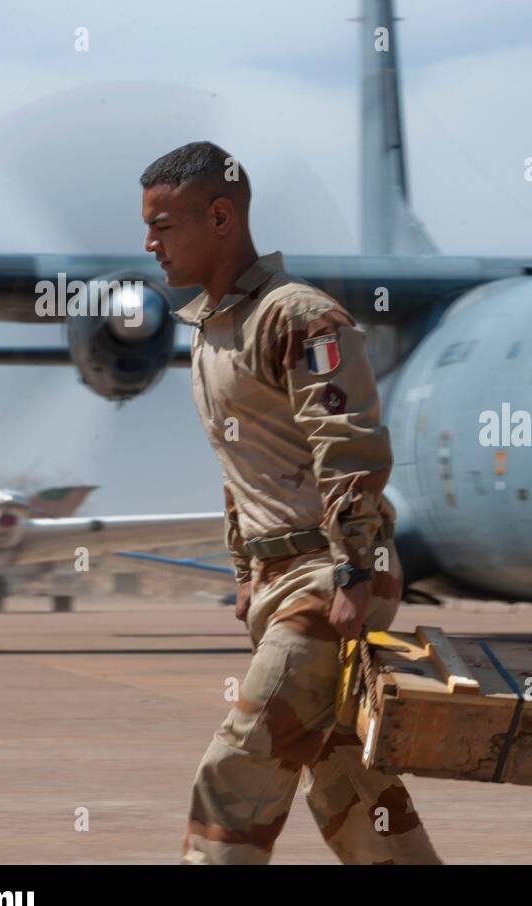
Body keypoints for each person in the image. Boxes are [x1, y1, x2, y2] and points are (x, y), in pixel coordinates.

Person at [140, 141, 440, 864]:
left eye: (163, 226)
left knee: (238, 768)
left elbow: (348, 445)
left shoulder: (298, 316)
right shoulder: (211, 330)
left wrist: (355, 570)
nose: (150, 245)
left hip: (326, 578)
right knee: (348, 782)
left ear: (221, 217)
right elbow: (242, 465)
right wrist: (245, 571)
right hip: (282, 582)